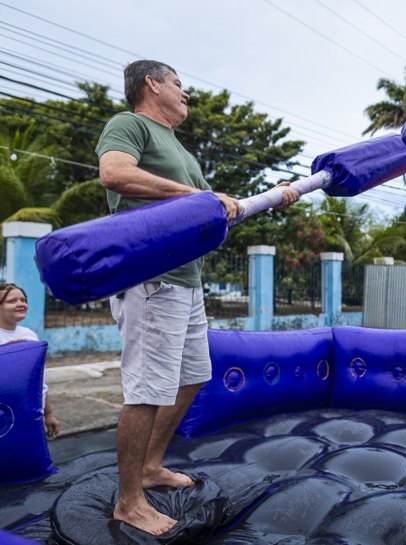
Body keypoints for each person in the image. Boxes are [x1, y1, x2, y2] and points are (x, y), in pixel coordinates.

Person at [96, 60, 298, 535]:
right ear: (152, 84)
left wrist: (275, 196)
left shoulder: (181, 149)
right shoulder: (129, 125)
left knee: (191, 377)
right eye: (179, 84)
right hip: (151, 278)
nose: (186, 94)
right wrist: (199, 195)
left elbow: (210, 212)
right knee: (147, 389)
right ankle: (129, 501)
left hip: (187, 281)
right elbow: (114, 174)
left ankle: (150, 466)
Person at [0, 283, 60, 437]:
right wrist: (8, 351)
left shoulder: (29, 335)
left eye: (23, 300)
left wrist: (49, 414)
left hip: (30, 414)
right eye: (12, 301)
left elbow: (38, 381)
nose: (21, 304)